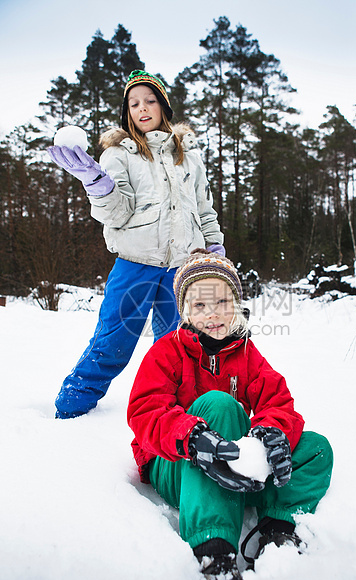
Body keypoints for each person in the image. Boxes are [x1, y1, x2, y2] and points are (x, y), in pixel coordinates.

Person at [127, 249, 334, 580]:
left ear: (236, 304)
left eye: (222, 301)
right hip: (176, 465)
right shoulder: (166, 352)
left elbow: (278, 401)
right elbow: (146, 410)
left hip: (234, 464)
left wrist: (270, 434)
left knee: (316, 449)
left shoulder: (246, 353)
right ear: (185, 311)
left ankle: (275, 529)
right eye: (201, 305)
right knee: (221, 404)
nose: (213, 314)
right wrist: (190, 436)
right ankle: (214, 551)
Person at [48, 70, 224, 419]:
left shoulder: (188, 156)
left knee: (180, 347)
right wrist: (95, 182)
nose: (142, 109)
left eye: (150, 101)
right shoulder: (120, 154)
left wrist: (214, 247)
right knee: (113, 342)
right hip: (134, 264)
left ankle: (173, 413)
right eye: (134, 104)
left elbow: (203, 208)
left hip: (182, 268)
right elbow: (117, 214)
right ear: (126, 112)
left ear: (163, 106)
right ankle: (71, 409)